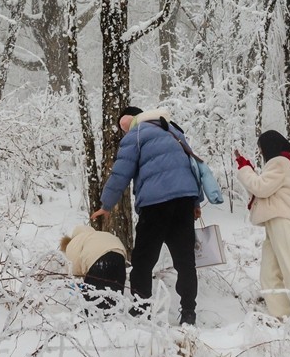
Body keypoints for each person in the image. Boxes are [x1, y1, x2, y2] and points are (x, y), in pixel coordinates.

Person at [90, 105, 201, 326]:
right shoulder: (171, 130)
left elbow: (121, 171)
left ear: (129, 122)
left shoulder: (137, 134)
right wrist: (195, 201)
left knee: (142, 260)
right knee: (185, 261)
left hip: (155, 204)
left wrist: (106, 204)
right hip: (184, 200)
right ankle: (189, 311)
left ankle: (141, 309)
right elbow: (192, 165)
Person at [234, 129, 290, 318]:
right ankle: (283, 316)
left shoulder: (280, 162)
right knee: (269, 274)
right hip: (278, 222)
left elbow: (261, 188)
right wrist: (248, 168)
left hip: (284, 221)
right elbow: (265, 186)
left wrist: (245, 169)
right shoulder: (281, 163)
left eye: (261, 149)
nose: (261, 153)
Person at [60, 224, 127, 310]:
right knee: (114, 299)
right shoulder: (100, 234)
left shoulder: (75, 241)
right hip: (119, 259)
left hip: (99, 261)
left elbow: (73, 267)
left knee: (93, 305)